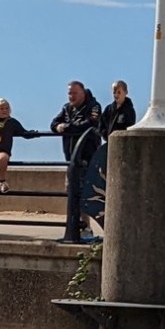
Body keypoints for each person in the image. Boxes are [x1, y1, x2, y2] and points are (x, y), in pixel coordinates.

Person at [51, 81, 102, 235]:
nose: (71, 96)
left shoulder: (94, 106)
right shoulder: (67, 108)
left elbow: (90, 123)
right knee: (72, 190)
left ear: (83, 93)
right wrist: (58, 127)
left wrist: (68, 127)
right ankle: (78, 227)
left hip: (88, 158)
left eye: (74, 93)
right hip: (71, 159)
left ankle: (85, 227)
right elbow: (54, 123)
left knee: (83, 192)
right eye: (69, 93)